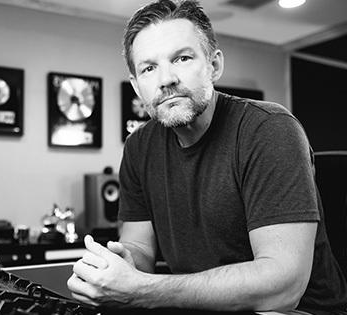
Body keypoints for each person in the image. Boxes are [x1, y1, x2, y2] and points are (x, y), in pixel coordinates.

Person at [67, 0, 347, 313]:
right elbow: (140, 247)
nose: (166, 79)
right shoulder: (138, 147)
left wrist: (144, 288)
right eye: (148, 68)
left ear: (214, 65)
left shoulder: (268, 129)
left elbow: (284, 287)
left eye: (182, 58)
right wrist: (123, 263)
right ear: (136, 86)